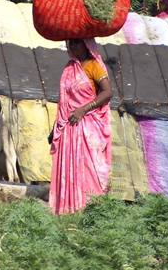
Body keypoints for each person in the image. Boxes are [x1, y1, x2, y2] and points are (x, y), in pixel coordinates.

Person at [49, 38, 113, 214]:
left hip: (87, 127)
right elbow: (64, 102)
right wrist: (56, 126)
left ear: (87, 45)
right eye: (70, 42)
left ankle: (91, 210)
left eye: (77, 42)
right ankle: (68, 211)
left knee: (88, 169)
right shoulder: (69, 68)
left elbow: (108, 92)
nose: (72, 45)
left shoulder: (93, 66)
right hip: (69, 128)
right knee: (70, 170)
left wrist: (83, 109)